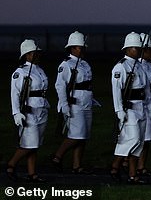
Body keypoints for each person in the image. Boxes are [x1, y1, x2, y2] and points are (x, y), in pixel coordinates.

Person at [110, 32, 151, 184]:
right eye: (136, 48)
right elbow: (116, 91)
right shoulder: (121, 67)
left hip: (141, 107)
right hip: (128, 109)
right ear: (128, 49)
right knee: (131, 139)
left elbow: (146, 91)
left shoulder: (140, 67)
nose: (139, 51)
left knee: (140, 142)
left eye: (140, 48)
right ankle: (115, 166)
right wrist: (119, 111)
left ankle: (132, 174)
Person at [6, 39, 49, 183]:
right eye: (33, 53)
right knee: (29, 143)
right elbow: (15, 93)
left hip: (41, 109)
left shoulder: (40, 70)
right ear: (26, 55)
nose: (37, 55)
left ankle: (32, 174)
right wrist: (16, 112)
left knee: (35, 145)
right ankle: (11, 164)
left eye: (37, 52)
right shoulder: (20, 72)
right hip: (28, 111)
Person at [51, 31, 94, 174]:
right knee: (77, 135)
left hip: (86, 103)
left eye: (83, 47)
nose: (83, 49)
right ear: (72, 48)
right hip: (74, 104)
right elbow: (60, 85)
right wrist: (64, 105)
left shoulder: (85, 64)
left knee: (83, 136)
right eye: (80, 47)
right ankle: (57, 157)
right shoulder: (66, 64)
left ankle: (77, 165)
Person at [136, 33, 151, 177]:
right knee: (135, 137)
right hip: (137, 104)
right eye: (150, 49)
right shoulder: (134, 66)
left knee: (147, 138)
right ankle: (127, 162)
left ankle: (141, 166)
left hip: (149, 104)